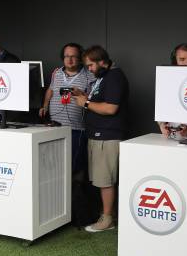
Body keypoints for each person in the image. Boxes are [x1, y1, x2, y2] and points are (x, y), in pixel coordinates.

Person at [72, 46, 129, 232]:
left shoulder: (114, 76)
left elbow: (110, 108)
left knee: (105, 180)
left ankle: (107, 220)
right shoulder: (104, 77)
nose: (88, 69)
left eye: (90, 65)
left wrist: (86, 103)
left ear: (102, 61)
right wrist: (84, 96)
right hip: (97, 135)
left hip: (108, 136)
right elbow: (100, 101)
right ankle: (107, 215)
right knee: (101, 179)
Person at [39, 43, 96, 178]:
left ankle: (75, 195)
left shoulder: (89, 75)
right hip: (55, 127)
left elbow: (95, 99)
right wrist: (45, 105)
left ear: (80, 58)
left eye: (73, 56)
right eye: (66, 56)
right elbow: (50, 90)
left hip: (76, 129)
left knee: (75, 166)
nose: (69, 60)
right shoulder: (57, 73)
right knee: (55, 165)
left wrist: (81, 93)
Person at [157, 43, 187, 138]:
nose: (186, 64)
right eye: (182, 59)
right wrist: (161, 125)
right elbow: (161, 108)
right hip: (169, 139)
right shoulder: (166, 82)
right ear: (175, 61)